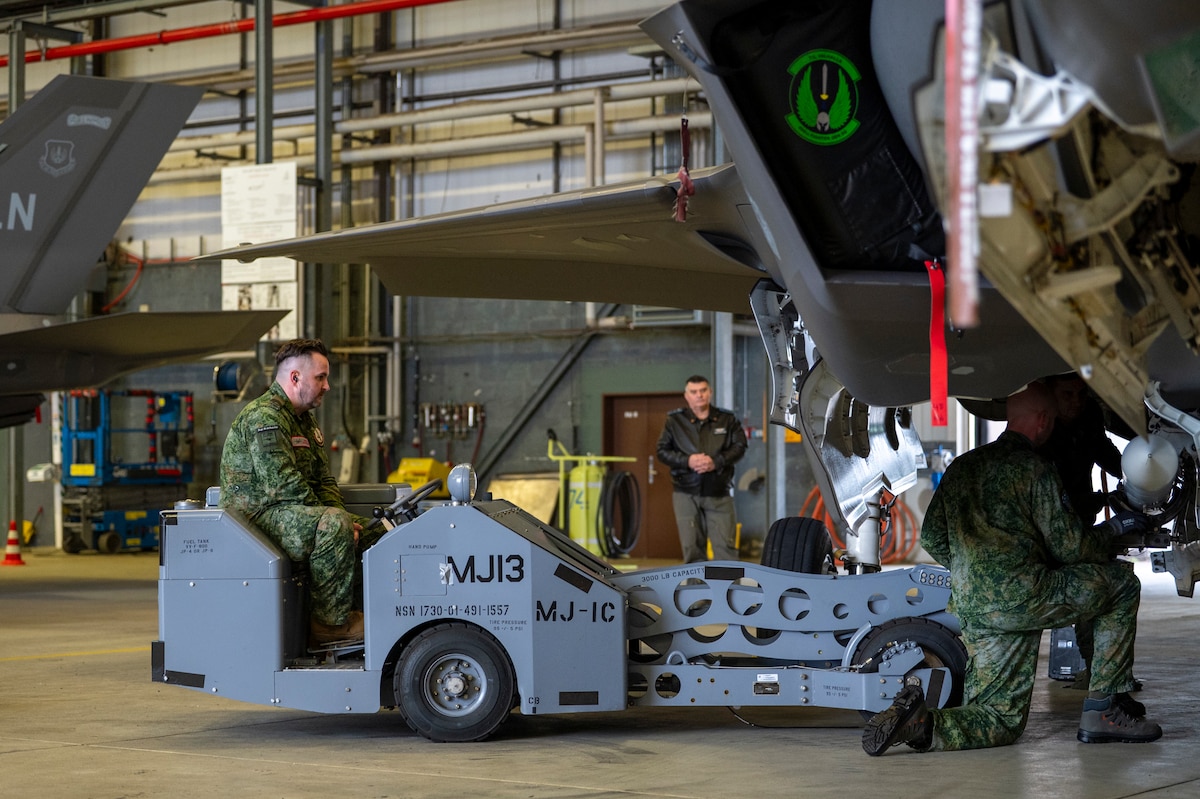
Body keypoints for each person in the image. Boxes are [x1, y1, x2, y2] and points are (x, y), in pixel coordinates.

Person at [862, 382, 1160, 756]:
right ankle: (1104, 710)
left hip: (975, 608)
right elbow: (1072, 548)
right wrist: (1115, 528)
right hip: (1027, 596)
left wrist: (977, 574)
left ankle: (923, 724)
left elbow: (932, 536)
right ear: (1041, 421)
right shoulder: (1035, 469)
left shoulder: (963, 466)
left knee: (998, 717)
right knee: (1121, 584)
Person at [220, 338, 369, 646]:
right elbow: (282, 484)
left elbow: (322, 480)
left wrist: (339, 515)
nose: (327, 386)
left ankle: (362, 611)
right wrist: (334, 520)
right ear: (295, 378)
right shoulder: (265, 417)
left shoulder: (303, 420)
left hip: (289, 512)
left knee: (377, 531)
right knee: (334, 527)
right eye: (321, 377)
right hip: (256, 517)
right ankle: (329, 625)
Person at [1038, 373, 1128, 689]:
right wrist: (1107, 500)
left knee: (1095, 589)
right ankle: (1099, 677)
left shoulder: (1087, 414)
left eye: (1081, 394)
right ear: (1049, 394)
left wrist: (1132, 475)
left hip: (1081, 521)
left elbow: (1101, 448)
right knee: (1093, 591)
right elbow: (1054, 499)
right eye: (1067, 394)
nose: (1076, 402)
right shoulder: (1041, 431)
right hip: (1049, 531)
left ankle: (1099, 675)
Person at [656, 375, 747, 562]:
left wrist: (717, 461)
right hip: (686, 492)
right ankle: (695, 590)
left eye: (703, 391)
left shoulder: (727, 420)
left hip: (719, 492)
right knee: (692, 548)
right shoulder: (674, 421)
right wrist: (687, 461)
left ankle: (727, 589)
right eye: (694, 392)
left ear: (710, 392)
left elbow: (740, 447)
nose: (699, 395)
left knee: (725, 548)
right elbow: (662, 451)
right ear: (686, 395)